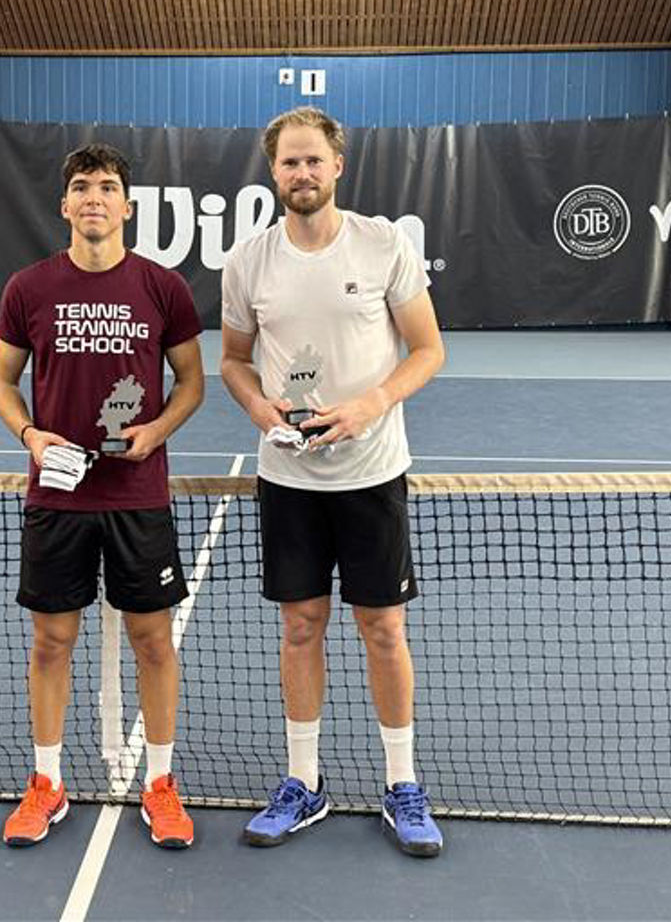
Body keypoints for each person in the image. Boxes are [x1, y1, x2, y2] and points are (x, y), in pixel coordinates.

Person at [219, 107, 446, 857]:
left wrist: (369, 405)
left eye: (313, 160)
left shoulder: (383, 245)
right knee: (299, 627)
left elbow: (428, 350)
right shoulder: (248, 261)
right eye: (289, 162)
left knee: (383, 629)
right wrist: (261, 410)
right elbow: (233, 360)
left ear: (338, 165)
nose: (302, 173)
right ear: (273, 171)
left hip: (373, 474)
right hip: (289, 479)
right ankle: (303, 782)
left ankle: (402, 784)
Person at [0, 142, 205, 849]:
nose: (94, 198)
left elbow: (191, 383)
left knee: (154, 642)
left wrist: (157, 431)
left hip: (138, 496)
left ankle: (161, 784)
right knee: (51, 640)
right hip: (57, 498)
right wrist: (30, 434)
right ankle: (46, 783)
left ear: (126, 206)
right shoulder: (28, 288)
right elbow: (2, 382)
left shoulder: (162, 288)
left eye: (107, 187)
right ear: (64, 204)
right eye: (82, 186)